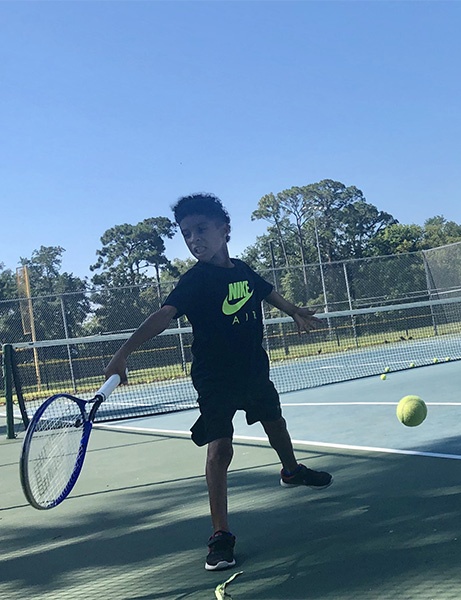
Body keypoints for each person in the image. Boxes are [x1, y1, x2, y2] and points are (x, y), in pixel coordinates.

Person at [104, 193, 333, 571]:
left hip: (253, 370)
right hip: (215, 379)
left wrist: (294, 311)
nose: (194, 239)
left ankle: (291, 472)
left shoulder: (242, 270)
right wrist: (123, 352)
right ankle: (220, 534)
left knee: (275, 423)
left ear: (225, 230)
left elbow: (266, 292)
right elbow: (163, 315)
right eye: (186, 234)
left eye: (201, 229)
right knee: (220, 447)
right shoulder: (195, 281)